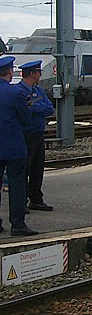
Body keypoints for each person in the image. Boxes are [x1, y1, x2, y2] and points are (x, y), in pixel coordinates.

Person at [0, 55, 36, 236]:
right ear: (9, 72)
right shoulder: (16, 93)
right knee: (16, 185)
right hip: (14, 146)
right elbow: (26, 119)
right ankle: (18, 224)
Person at [16, 60, 55, 211]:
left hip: (38, 133)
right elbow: (25, 110)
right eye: (39, 72)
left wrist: (35, 107)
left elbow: (49, 109)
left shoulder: (38, 90)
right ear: (32, 73)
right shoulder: (19, 91)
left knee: (37, 168)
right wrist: (38, 108)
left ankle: (36, 199)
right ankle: (22, 200)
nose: (40, 75)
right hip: (26, 134)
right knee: (25, 168)